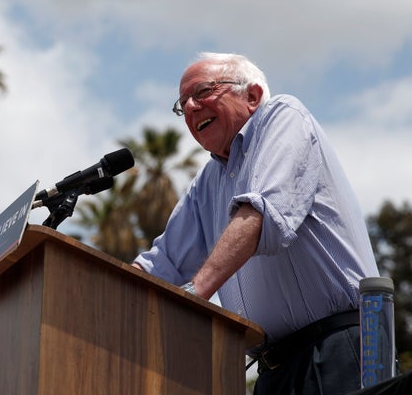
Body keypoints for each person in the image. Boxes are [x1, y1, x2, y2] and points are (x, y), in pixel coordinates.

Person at [131, 52, 380, 394]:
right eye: (182, 104)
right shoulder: (207, 183)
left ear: (252, 96)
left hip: (336, 351)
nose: (190, 107)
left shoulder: (283, 116)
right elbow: (162, 264)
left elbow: (262, 215)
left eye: (202, 92)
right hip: (271, 372)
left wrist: (192, 297)